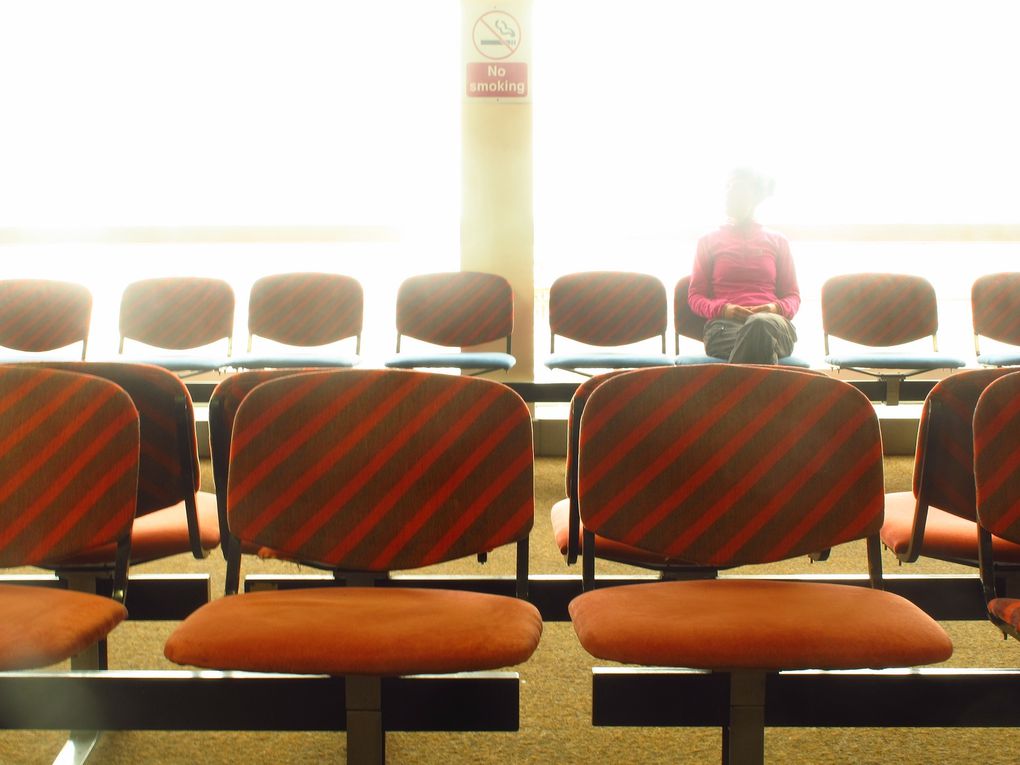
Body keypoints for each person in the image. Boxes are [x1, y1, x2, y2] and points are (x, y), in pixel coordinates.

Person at [688, 167, 800, 364]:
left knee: (760, 325)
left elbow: (793, 297)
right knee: (759, 342)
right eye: (727, 187)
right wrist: (724, 310)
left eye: (737, 188)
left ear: (756, 197)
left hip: (773, 325)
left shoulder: (777, 241)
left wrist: (773, 309)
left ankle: (731, 393)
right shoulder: (708, 241)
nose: (729, 193)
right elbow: (695, 296)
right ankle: (765, 393)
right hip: (724, 328)